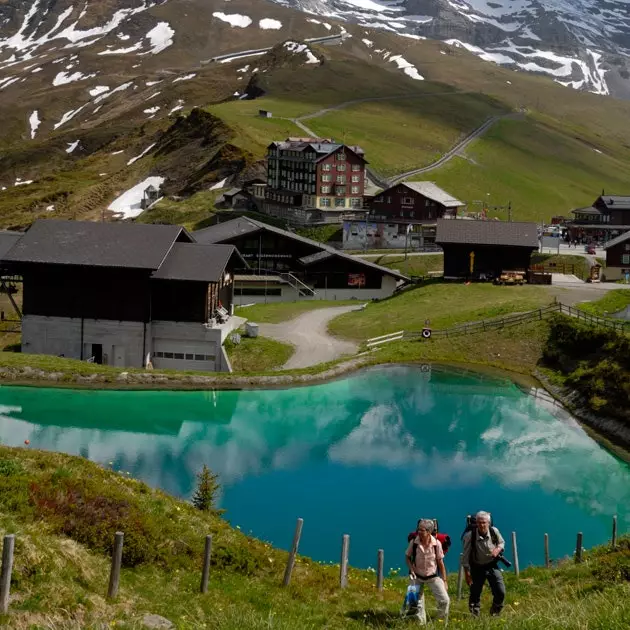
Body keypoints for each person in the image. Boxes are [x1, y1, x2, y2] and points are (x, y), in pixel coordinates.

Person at [405, 519, 450, 624]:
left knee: (445, 600)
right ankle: (420, 624)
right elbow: (407, 557)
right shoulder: (414, 542)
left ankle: (440, 622)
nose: (419, 532)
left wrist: (445, 580)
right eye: (418, 530)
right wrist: (411, 569)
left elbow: (440, 562)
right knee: (414, 602)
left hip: (433, 576)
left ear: (429, 532)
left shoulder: (437, 544)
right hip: (416, 576)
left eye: (422, 530)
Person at [462, 511, 506, 617]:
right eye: (479, 522)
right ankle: (474, 617)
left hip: (492, 565)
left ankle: (494, 614)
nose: (482, 525)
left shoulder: (494, 531)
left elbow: (501, 542)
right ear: (476, 523)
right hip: (477, 567)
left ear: (489, 523)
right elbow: (466, 556)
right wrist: (467, 574)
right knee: (475, 593)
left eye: (484, 522)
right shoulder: (470, 536)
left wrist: (498, 549)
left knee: (501, 591)